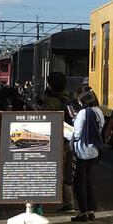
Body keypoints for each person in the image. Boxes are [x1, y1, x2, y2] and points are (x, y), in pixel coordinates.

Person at [42, 71, 78, 212]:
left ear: (50, 86)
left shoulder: (51, 102)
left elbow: (45, 124)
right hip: (74, 141)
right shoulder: (73, 98)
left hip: (59, 142)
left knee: (58, 172)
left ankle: (52, 201)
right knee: (70, 172)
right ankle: (71, 202)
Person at [70, 91, 105, 222]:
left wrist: (74, 122)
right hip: (95, 149)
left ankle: (83, 212)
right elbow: (100, 128)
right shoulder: (99, 111)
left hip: (83, 150)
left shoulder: (83, 113)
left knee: (80, 182)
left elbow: (78, 133)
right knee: (90, 181)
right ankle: (91, 210)